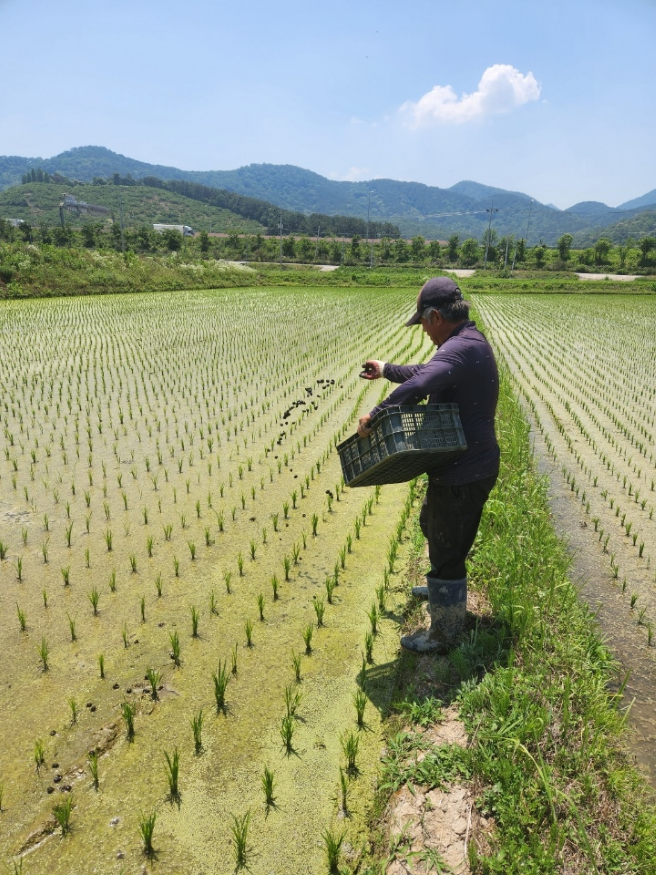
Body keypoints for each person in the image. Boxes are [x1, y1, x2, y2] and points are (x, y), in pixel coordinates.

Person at [357, 277, 499, 654]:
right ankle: (440, 585)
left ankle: (444, 634)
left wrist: (376, 414)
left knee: (448, 549)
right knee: (433, 526)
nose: (422, 330)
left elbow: (420, 386)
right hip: (460, 466)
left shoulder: (460, 349)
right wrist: (387, 368)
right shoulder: (465, 344)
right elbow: (425, 372)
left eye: (421, 322)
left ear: (435, 316)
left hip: (465, 471)